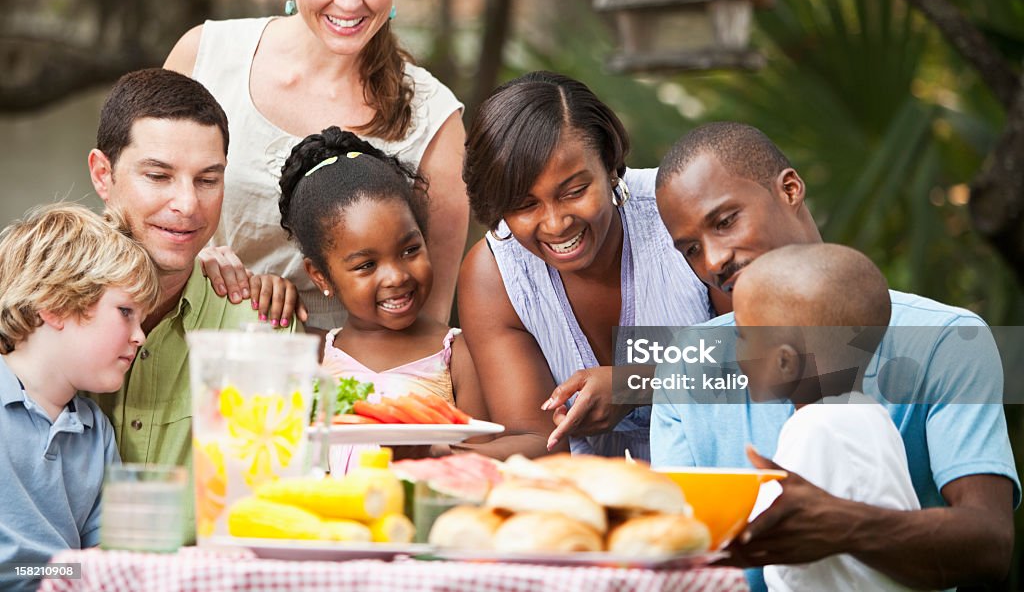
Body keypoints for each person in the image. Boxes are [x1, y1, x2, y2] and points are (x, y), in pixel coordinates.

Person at [652, 121, 1017, 589]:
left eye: (725, 221)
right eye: (690, 249)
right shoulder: (687, 363)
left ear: (789, 189)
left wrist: (845, 526)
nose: (713, 260)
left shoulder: (945, 340)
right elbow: (678, 549)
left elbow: (989, 546)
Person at [164, 0, 468, 332]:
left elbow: (429, 330)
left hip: (343, 382)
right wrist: (195, 262)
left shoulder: (435, 120)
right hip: (190, 350)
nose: (349, 1)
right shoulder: (204, 58)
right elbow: (127, 223)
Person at [86, 68, 296, 544]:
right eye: (158, 175)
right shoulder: (34, 314)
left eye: (208, 179)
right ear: (104, 174)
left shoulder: (260, 328)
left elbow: (268, 517)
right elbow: (20, 561)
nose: (187, 204)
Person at [458, 71, 711, 461]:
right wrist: (431, 458)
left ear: (610, 164)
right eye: (525, 206)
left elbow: (814, 360)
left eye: (575, 192)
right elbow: (536, 440)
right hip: (588, 502)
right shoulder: (494, 276)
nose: (556, 223)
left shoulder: (683, 208)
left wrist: (635, 385)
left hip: (729, 484)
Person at [278, 127, 487, 471]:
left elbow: (480, 464)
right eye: (367, 265)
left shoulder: (458, 355)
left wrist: (438, 457)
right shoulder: (314, 354)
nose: (397, 276)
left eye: (409, 249)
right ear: (320, 275)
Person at [733, 243, 920, 592]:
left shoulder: (814, 428)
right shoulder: (868, 416)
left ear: (784, 362)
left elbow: (770, 532)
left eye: (741, 335)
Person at [0, 204, 159, 592]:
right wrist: (60, 574)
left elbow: (105, 559)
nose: (141, 337)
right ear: (54, 305)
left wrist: (66, 574)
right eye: (125, 312)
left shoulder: (95, 431)